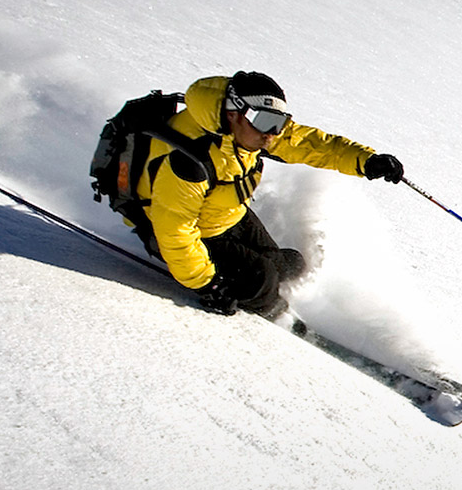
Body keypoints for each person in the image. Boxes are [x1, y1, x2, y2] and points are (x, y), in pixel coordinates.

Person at [134, 71, 404, 318]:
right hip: (179, 230)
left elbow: (310, 144)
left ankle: (265, 290)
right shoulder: (189, 157)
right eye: (265, 121)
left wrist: (366, 161)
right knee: (261, 282)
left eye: (279, 122)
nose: (272, 134)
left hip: (226, 215)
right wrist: (207, 283)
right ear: (234, 113)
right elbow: (174, 230)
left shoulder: (251, 132)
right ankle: (280, 319)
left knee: (291, 265)